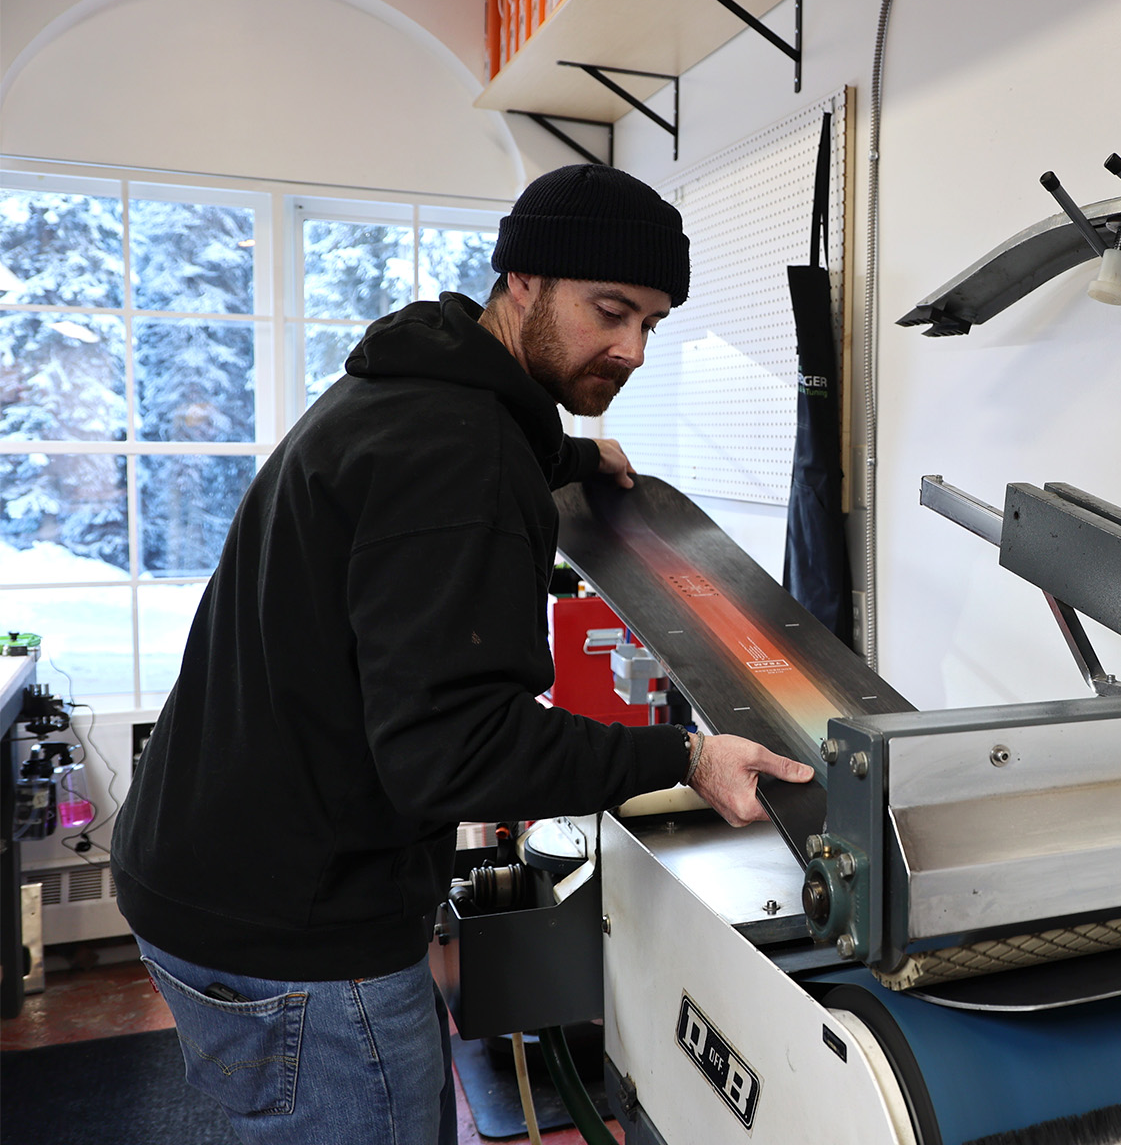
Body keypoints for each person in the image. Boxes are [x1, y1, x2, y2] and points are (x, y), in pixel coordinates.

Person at [112, 164, 814, 1145]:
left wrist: (570, 457)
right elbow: (459, 753)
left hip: (204, 873)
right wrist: (684, 758)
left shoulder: (412, 386)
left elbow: (467, 462)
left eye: (652, 324)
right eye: (611, 311)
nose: (632, 349)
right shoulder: (463, 456)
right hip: (302, 937)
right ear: (521, 279)